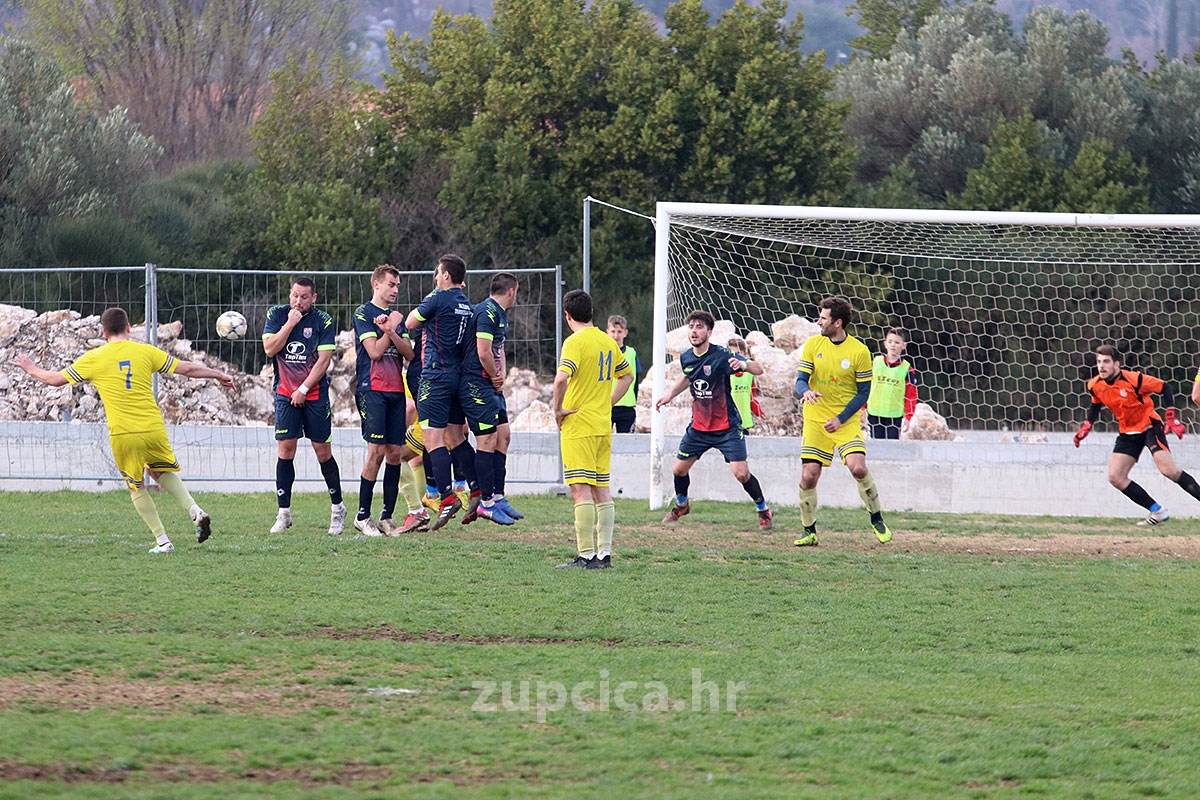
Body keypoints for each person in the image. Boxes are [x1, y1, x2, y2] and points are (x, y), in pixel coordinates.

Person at [10, 307, 233, 553]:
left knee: (136, 486)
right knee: (159, 471)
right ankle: (194, 509)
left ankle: (162, 541)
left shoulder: (94, 358)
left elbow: (55, 379)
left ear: (103, 332)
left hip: (124, 433)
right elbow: (188, 369)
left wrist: (30, 368)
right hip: (152, 428)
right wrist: (218, 374)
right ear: (128, 328)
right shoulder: (145, 351)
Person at [655, 313, 774, 531]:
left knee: (741, 473)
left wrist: (742, 364)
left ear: (709, 333)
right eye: (691, 327)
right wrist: (669, 395)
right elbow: (687, 375)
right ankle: (682, 505)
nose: (694, 331)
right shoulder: (687, 357)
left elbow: (758, 369)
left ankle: (763, 509)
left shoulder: (721, 355)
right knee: (678, 470)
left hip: (726, 427)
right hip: (699, 427)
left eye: (699, 327)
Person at [793, 297, 893, 547]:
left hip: (845, 422)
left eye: (823, 318)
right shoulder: (813, 344)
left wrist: (840, 419)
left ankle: (877, 519)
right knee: (808, 477)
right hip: (816, 420)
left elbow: (863, 393)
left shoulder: (859, 351)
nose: (819, 321)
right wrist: (805, 391)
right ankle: (809, 531)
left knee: (858, 468)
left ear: (837, 323)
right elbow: (800, 379)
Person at [1074, 344, 1199, 525]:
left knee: (1169, 471)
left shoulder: (1134, 379)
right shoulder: (1095, 385)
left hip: (1150, 427)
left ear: (1117, 364)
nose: (1102, 366)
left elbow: (1165, 387)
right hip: (1127, 432)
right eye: (1099, 362)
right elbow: (1095, 403)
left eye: (1106, 362)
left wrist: (1170, 417)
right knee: (1115, 477)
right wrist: (1086, 426)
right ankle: (1157, 511)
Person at [553, 290, 634, 569]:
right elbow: (627, 376)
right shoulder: (607, 341)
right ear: (591, 312)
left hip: (580, 425)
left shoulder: (574, 342)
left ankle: (586, 555)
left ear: (567, 315)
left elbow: (561, 379)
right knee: (602, 489)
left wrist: (558, 409)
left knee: (580, 489)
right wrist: (607, 403)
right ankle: (605, 554)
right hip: (602, 425)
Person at [262, 277, 347, 536]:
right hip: (285, 394)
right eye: (295, 295)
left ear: (314, 298)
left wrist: (303, 389)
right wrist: (290, 323)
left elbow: (323, 362)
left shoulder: (323, 320)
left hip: (314, 394)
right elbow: (269, 348)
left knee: (323, 452)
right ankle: (283, 514)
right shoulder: (277, 315)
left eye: (305, 297)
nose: (299, 301)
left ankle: (338, 509)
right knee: (285, 451)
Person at [405, 253, 475, 530]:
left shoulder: (437, 297)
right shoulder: (467, 305)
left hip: (434, 375)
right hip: (457, 376)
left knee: (433, 440)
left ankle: (446, 497)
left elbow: (411, 322)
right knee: (456, 437)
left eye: (438, 272)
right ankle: (478, 490)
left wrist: (429, 307)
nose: (435, 276)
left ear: (446, 275)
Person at [352, 264, 419, 536]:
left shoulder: (395, 318)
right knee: (376, 452)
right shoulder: (363, 313)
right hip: (372, 389)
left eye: (397, 286)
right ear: (376, 284)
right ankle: (362, 515)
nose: (395, 290)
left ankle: (387, 517)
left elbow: (409, 354)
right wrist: (386, 331)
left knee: (394, 453)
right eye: (391, 284)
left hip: (395, 390)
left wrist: (392, 329)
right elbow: (375, 352)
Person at [459, 271, 523, 524]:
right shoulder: (486, 312)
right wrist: (494, 374)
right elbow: (483, 351)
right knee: (486, 439)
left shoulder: (501, 315)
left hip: (492, 384)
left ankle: (497, 495)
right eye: (516, 292)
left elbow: (499, 348)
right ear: (511, 291)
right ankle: (485, 502)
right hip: (477, 382)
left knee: (503, 435)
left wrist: (502, 374)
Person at [865, 327, 917, 440]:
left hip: (894, 416)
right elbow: (865, 386)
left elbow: (911, 396)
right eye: (890, 342)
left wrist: (908, 417)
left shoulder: (907, 369)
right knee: (876, 446)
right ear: (885, 344)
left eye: (897, 342)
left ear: (904, 345)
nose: (893, 345)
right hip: (874, 413)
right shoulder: (875, 363)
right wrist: (861, 409)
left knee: (891, 448)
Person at [607, 315, 641, 433]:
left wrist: (634, 401)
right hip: (607, 405)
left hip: (626, 406)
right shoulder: (603, 353)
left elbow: (636, 379)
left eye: (619, 332)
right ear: (607, 332)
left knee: (627, 444)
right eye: (613, 331)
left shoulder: (631, 353)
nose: (616, 335)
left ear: (625, 333)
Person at [726, 337, 762, 433]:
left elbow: (751, 395)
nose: (734, 357)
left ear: (744, 354)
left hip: (746, 423)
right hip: (728, 422)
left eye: (737, 353)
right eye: (730, 353)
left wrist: (758, 410)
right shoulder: (725, 370)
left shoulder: (749, 372)